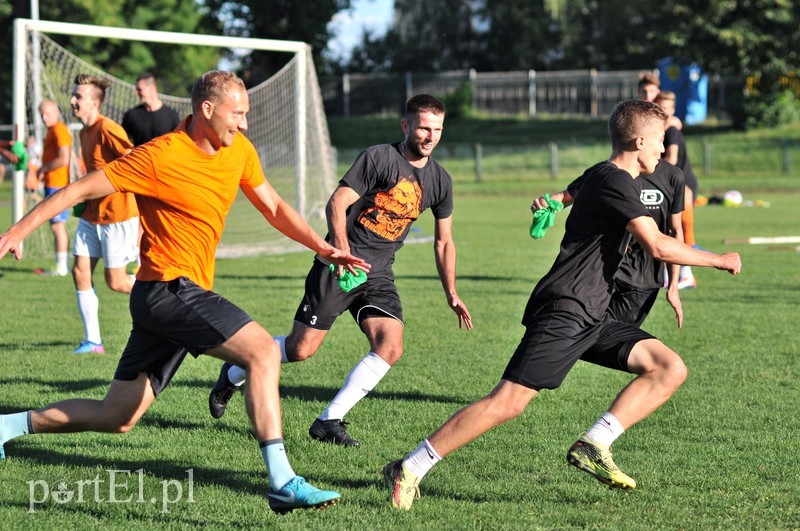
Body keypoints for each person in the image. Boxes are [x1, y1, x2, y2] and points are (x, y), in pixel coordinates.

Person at [0, 70, 370, 513]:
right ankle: (283, 482)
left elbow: (273, 206)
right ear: (207, 109)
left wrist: (323, 248)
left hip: (169, 296)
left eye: (246, 114)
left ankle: (5, 428)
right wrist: (18, 230)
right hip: (166, 289)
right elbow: (78, 188)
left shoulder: (239, 151)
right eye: (237, 114)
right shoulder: (160, 155)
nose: (245, 123)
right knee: (262, 353)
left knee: (117, 416)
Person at [382, 99, 742, 510]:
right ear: (640, 141)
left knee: (668, 367)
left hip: (596, 312)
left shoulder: (613, 178)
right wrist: (718, 259)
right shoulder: (611, 179)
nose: (663, 149)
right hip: (567, 309)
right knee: (507, 402)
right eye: (659, 140)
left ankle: (595, 444)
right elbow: (657, 245)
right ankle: (408, 468)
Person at [208, 94, 473, 448]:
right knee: (301, 349)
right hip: (338, 266)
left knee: (390, 346)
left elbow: (444, 242)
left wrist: (451, 293)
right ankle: (234, 371)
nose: (431, 136)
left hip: (378, 275)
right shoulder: (378, 158)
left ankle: (328, 420)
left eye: (437, 129)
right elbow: (337, 202)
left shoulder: (440, 181)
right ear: (406, 125)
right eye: (424, 128)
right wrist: (342, 252)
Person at [534, 163, 686, 328]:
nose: (662, 150)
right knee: (580, 331)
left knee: (609, 337)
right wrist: (544, 204)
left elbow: (674, 230)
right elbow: (564, 197)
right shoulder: (607, 173)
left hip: (642, 282)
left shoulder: (672, 176)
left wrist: (673, 286)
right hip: (603, 274)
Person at [69, 74, 140, 354]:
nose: (72, 100)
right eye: (74, 95)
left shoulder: (107, 128)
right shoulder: (83, 131)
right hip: (91, 216)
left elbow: (134, 161)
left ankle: (162, 291)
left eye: (78, 96)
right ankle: (93, 341)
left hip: (117, 215)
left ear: (94, 103)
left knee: (117, 282)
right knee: (80, 271)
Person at [656, 91, 699, 289]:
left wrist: (650, 171)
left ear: (673, 110)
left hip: (682, 186)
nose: (663, 112)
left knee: (677, 229)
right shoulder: (663, 129)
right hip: (672, 183)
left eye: (666, 108)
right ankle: (669, 275)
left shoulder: (671, 131)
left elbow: (672, 158)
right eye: (660, 107)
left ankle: (685, 274)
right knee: (667, 229)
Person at [36, 100, 72, 276]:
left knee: (58, 226)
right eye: (42, 114)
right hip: (52, 183)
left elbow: (63, 159)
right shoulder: (51, 131)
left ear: (56, 112)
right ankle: (61, 264)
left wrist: (43, 168)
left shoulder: (59, 130)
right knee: (55, 226)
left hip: (58, 184)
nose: (44, 117)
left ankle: (61, 266)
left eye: (47, 113)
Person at [121, 73, 181, 147]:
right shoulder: (131, 115)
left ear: (152, 88)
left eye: (139, 89)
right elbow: (122, 142)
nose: (136, 93)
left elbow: (178, 144)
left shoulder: (171, 116)